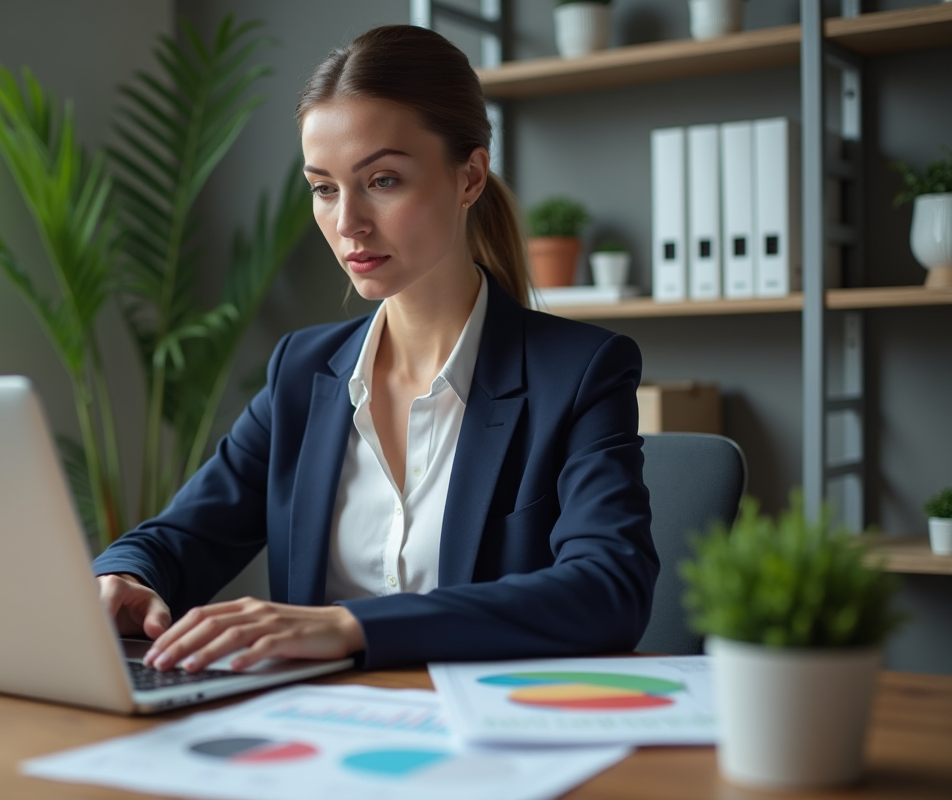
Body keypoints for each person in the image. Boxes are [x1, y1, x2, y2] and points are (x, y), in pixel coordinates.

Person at [93, 24, 658, 673]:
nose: (347, 223)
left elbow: (609, 588)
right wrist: (125, 576)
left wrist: (351, 626)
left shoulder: (579, 373)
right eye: (324, 188)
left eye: (383, 180)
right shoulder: (302, 373)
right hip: (313, 724)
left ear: (470, 177)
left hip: (481, 723)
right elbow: (182, 535)